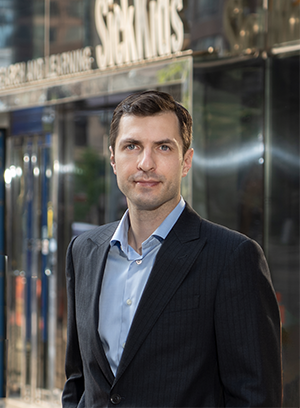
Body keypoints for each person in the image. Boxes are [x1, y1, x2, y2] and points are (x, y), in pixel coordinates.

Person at [62, 90, 282, 408]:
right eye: (132, 146)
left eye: (163, 147)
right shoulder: (83, 251)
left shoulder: (232, 257)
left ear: (186, 161)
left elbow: (255, 396)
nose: (146, 163)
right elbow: (78, 380)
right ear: (112, 158)